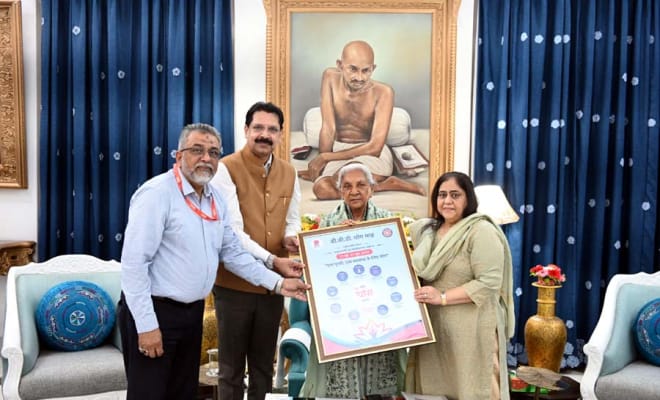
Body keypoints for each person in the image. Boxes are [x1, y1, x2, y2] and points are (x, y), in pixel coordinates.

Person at [118, 123, 310, 400]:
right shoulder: (156, 194)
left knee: (184, 394)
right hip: (156, 312)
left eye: (213, 152)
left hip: (191, 314)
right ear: (179, 155)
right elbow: (134, 264)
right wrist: (147, 326)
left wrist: (279, 284)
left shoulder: (214, 199)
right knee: (149, 394)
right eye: (197, 150)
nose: (206, 158)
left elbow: (232, 253)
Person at [209, 102, 303, 400]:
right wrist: (272, 260)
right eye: (258, 128)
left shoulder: (290, 172)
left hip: (272, 289)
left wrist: (290, 237)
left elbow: (293, 218)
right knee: (231, 370)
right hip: (234, 285)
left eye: (272, 129)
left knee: (264, 367)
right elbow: (233, 232)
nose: (265, 134)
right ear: (246, 130)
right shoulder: (225, 169)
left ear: (281, 134)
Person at [299, 163, 407, 399]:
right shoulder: (328, 224)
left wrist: (364, 234)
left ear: (372, 190)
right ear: (340, 191)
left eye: (361, 185)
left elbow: (398, 267)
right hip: (341, 313)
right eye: (347, 186)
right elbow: (318, 272)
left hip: (379, 312)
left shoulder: (387, 223)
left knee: (380, 383)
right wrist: (337, 239)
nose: (354, 191)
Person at [405, 171, 515, 400]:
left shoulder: (481, 231)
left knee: (471, 389)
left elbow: (489, 282)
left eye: (455, 195)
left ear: (468, 199)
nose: (447, 201)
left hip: (471, 331)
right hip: (434, 331)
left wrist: (443, 297)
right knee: (433, 389)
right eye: (442, 195)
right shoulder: (427, 232)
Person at [297, 40, 425, 199]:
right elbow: (328, 128)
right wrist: (321, 162)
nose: (359, 77)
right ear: (340, 65)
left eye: (366, 71)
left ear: (373, 68)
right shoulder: (329, 77)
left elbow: (375, 147)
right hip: (338, 151)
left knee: (348, 179)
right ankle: (385, 185)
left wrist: (326, 157)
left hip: (370, 153)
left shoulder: (384, 92)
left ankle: (380, 181)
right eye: (353, 69)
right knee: (322, 189)